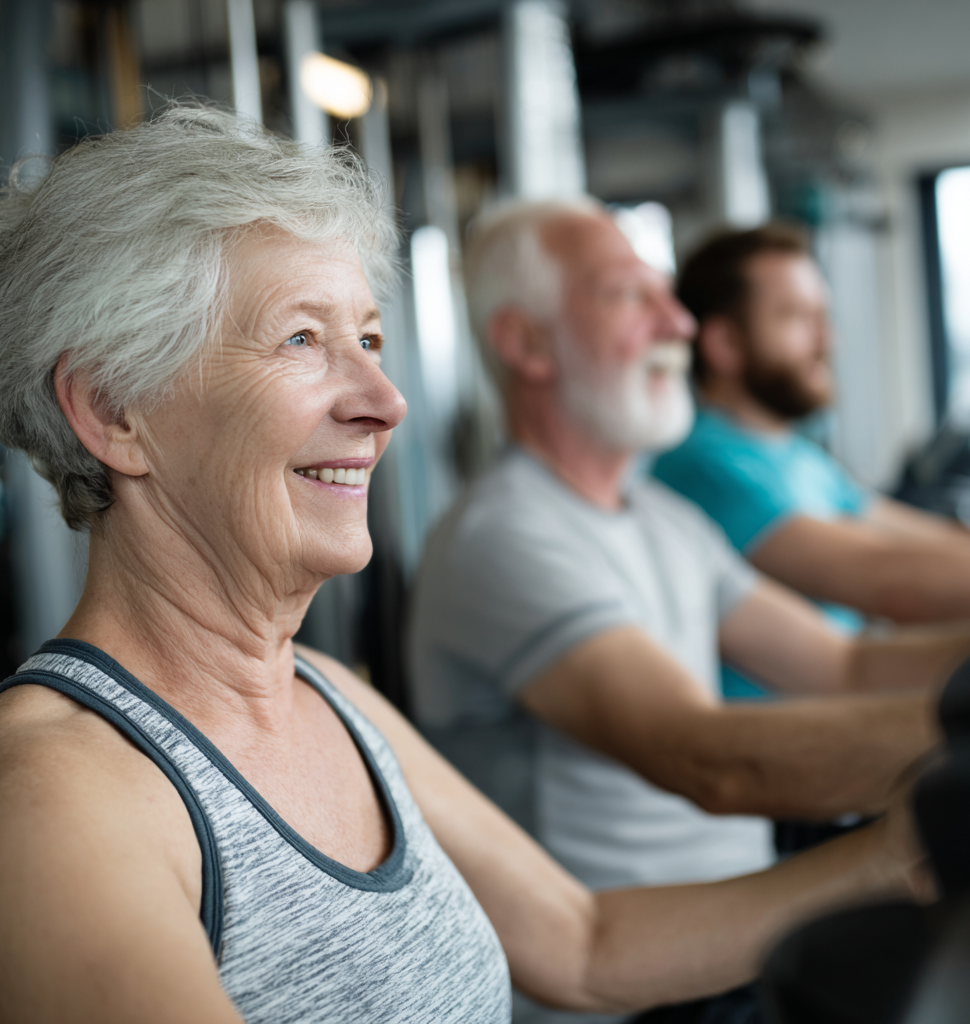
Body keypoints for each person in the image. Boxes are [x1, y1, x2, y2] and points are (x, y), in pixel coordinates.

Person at [0, 106, 931, 1024]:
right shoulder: (50, 793)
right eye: (302, 339)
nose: (385, 401)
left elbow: (586, 944)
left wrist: (906, 850)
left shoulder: (327, 692)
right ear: (113, 409)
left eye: (370, 339)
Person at [407, 198, 968, 1023]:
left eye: (667, 295)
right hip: (627, 994)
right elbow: (701, 754)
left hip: (729, 952)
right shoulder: (505, 534)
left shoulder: (664, 519)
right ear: (526, 344)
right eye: (630, 296)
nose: (678, 323)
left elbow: (844, 664)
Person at [652, 224, 970, 698]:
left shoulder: (799, 455)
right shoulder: (701, 467)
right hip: (785, 734)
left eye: (824, 317)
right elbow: (885, 576)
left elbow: (922, 537)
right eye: (798, 318)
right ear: (725, 344)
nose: (826, 341)